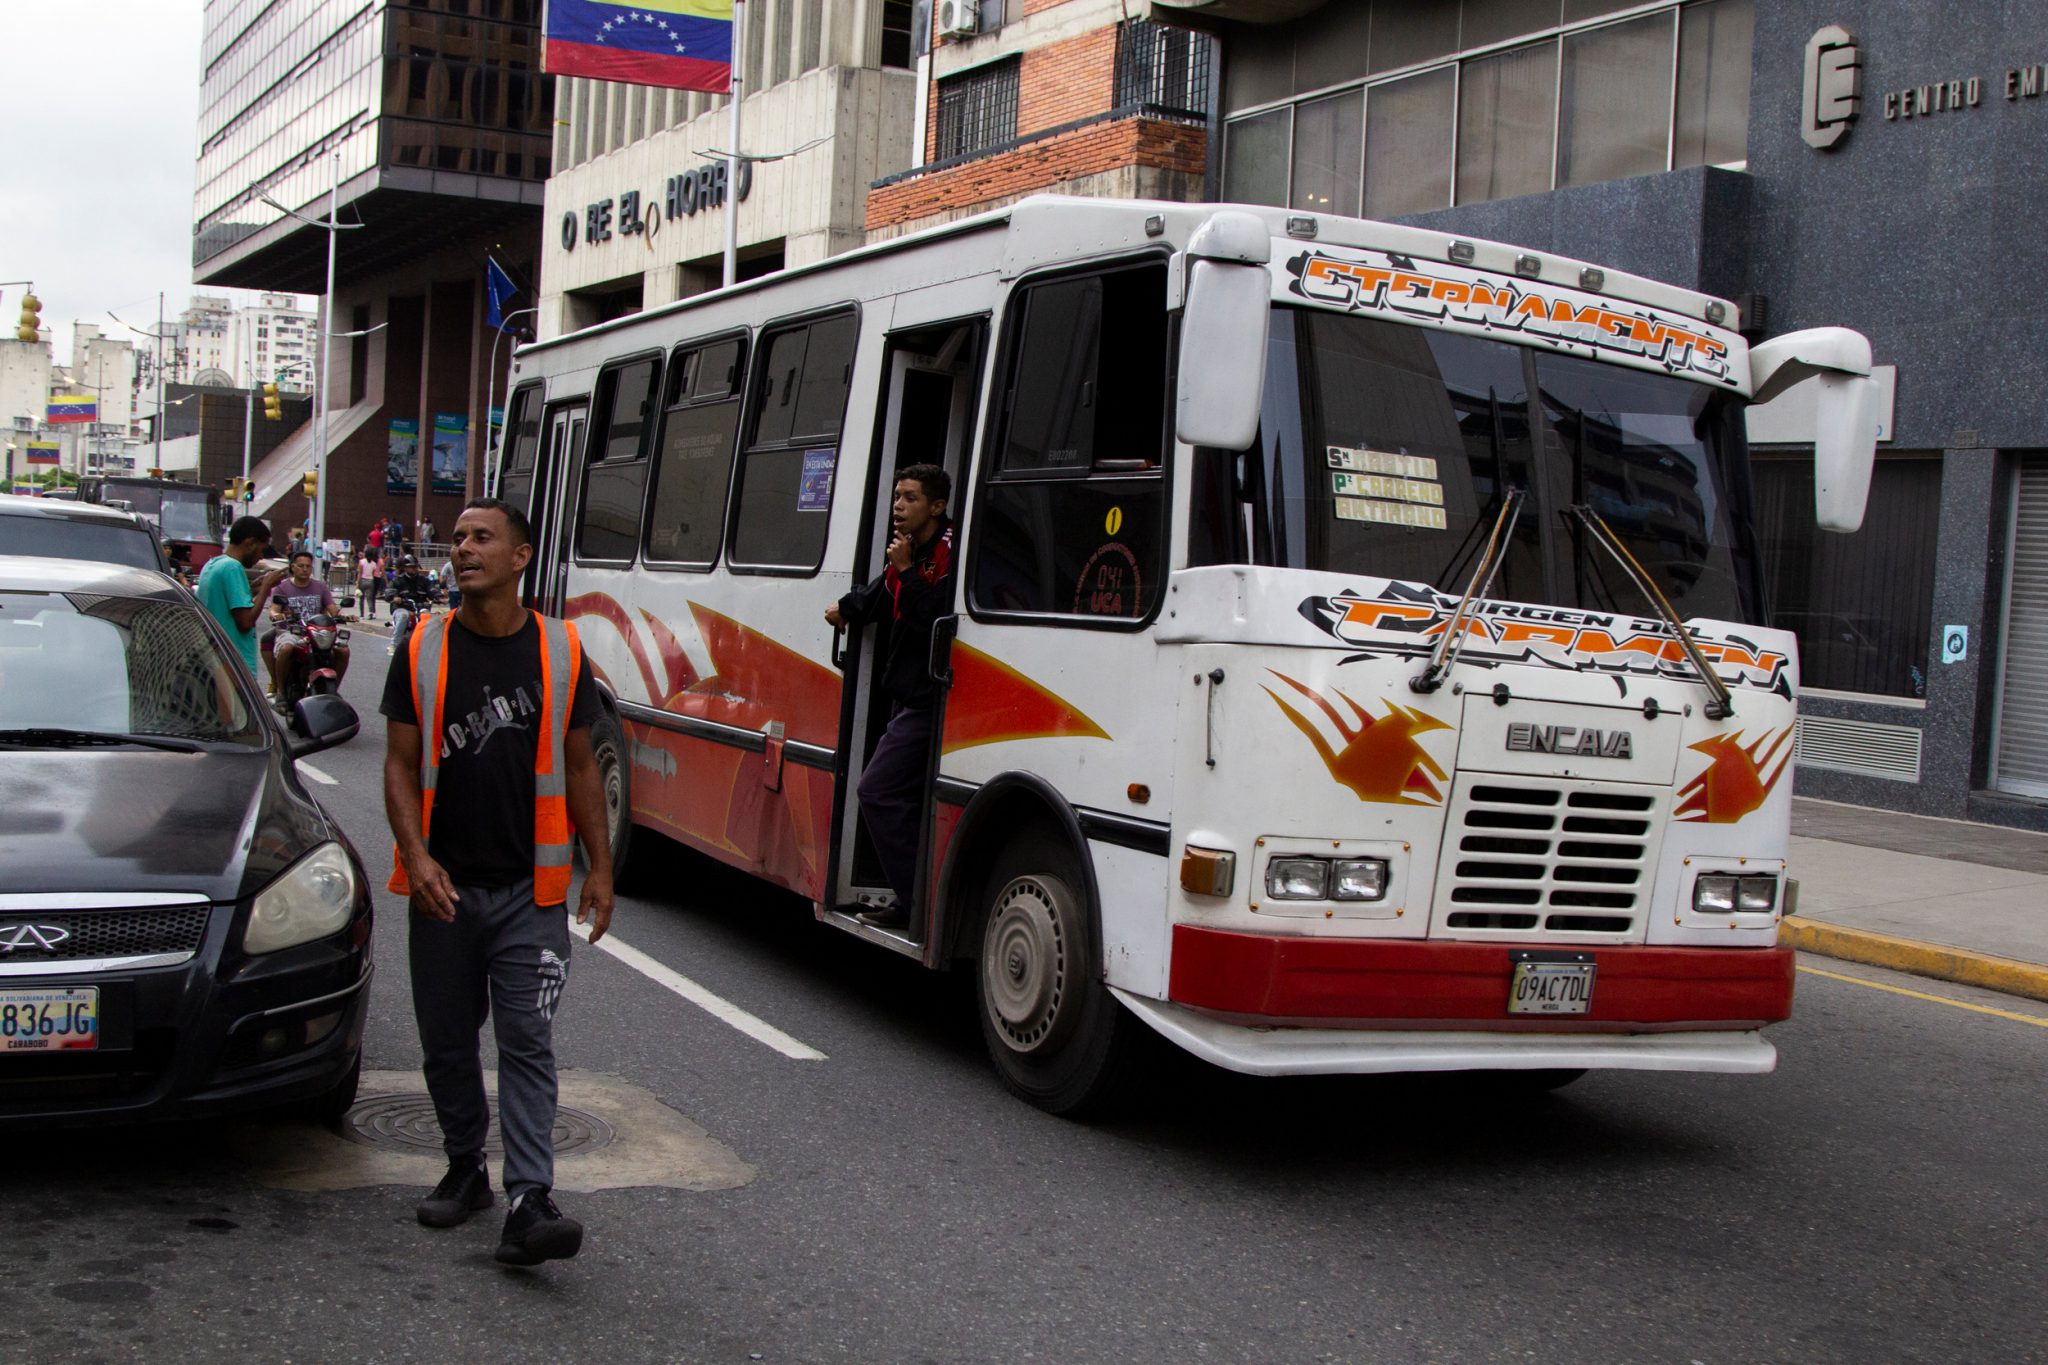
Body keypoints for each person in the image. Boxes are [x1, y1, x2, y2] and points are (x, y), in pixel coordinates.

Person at [381, 496, 613, 1268]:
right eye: (458, 538)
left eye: (483, 537)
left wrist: (601, 867)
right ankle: (462, 1167)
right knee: (447, 1041)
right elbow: (400, 764)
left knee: (525, 1038)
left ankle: (530, 1197)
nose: (463, 548)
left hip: (529, 892)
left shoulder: (561, 648)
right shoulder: (420, 646)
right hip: (442, 888)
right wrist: (416, 859)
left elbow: (582, 766)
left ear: (520, 557)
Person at [823, 464, 953, 932]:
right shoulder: (909, 551)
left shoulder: (945, 553)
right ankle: (907, 896)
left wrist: (905, 569)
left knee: (875, 791)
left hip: (929, 700)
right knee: (907, 801)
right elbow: (881, 596)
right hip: (904, 695)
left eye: (910, 498)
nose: (898, 506)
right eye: (897, 497)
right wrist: (845, 609)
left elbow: (933, 621)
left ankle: (919, 901)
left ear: (936, 507)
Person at [197, 516, 287, 686]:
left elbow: (228, 603)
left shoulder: (213, 564)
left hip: (216, 658)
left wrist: (252, 590)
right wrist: (267, 586)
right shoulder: (233, 567)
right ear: (250, 543)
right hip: (234, 663)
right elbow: (245, 622)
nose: (260, 557)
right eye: (261, 549)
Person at [265, 550, 347, 708]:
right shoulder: (282, 588)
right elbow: (274, 610)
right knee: (286, 649)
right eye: (301, 566)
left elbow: (333, 609)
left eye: (308, 566)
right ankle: (281, 691)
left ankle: (333, 690)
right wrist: (277, 615)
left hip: (318, 632)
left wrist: (343, 616)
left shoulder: (320, 587)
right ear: (293, 567)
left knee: (343, 650)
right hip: (292, 631)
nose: (304, 569)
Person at [359, 548, 383, 619]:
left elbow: (360, 573)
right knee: (370, 598)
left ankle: (362, 615)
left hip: (363, 580)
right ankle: (371, 612)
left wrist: (357, 582)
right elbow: (373, 573)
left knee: (361, 598)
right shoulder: (374, 564)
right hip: (370, 581)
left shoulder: (362, 561)